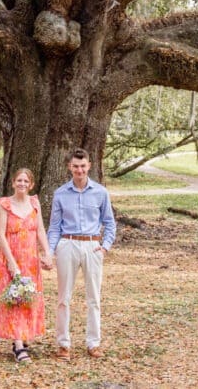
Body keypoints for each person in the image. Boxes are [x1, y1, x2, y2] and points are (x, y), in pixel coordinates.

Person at [47, 148, 117, 360]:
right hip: (67, 244)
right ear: (70, 167)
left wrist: (104, 246)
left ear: (89, 166)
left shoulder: (100, 192)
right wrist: (50, 252)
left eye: (83, 166)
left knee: (94, 297)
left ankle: (93, 343)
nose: (79, 170)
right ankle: (63, 344)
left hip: (92, 246)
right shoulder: (60, 194)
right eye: (75, 166)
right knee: (63, 298)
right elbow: (54, 227)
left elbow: (109, 222)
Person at [0, 168, 54, 363]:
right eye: (19, 181)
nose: (22, 184)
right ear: (13, 183)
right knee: (14, 299)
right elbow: (1, 234)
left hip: (30, 260)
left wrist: (47, 253)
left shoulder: (34, 203)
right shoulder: (5, 205)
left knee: (27, 298)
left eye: (26, 181)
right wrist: (11, 262)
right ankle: (18, 345)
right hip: (10, 259)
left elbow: (40, 229)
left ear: (31, 184)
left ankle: (23, 336)